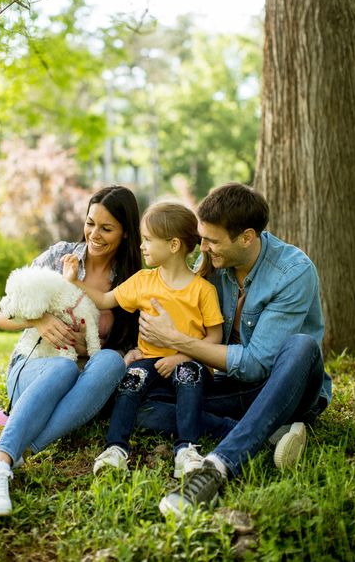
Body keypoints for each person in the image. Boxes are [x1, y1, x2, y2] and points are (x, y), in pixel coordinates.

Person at [133, 183, 332, 517]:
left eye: (212, 241)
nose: (203, 247)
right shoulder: (212, 266)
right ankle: (265, 433)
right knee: (141, 403)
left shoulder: (293, 272)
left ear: (247, 237)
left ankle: (218, 466)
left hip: (282, 387)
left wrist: (179, 341)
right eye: (202, 238)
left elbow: (255, 364)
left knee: (302, 346)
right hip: (227, 385)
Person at [0, 185, 142, 517]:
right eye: (90, 223)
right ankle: (1, 463)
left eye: (106, 228)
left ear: (126, 233)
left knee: (110, 361)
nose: (93, 235)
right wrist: (38, 321)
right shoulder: (59, 256)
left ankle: (4, 456)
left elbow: (127, 346)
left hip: (84, 386)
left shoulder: (131, 280)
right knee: (62, 367)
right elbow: (1, 315)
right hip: (36, 368)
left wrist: (103, 350)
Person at [62, 202, 224, 478]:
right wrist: (73, 281)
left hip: (191, 362)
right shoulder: (143, 281)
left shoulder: (202, 290)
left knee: (186, 374)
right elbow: (103, 299)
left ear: (173, 245)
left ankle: (186, 449)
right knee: (132, 378)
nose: (141, 246)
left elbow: (215, 337)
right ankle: (116, 449)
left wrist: (182, 356)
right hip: (149, 361)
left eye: (148, 240)